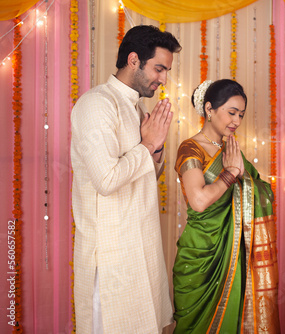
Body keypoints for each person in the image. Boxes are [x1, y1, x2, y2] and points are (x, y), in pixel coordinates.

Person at [71, 25, 181, 334]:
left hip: (139, 246)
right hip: (109, 257)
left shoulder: (137, 107)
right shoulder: (96, 105)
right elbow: (107, 180)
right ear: (134, 60)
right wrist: (147, 146)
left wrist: (155, 150)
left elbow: (143, 175)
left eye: (166, 71)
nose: (163, 79)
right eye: (159, 68)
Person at [172, 79, 280, 333]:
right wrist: (230, 173)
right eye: (231, 112)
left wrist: (242, 178)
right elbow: (198, 201)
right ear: (209, 109)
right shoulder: (190, 149)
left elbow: (263, 192)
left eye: (240, 114)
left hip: (234, 254)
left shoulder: (231, 150)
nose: (237, 121)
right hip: (201, 254)